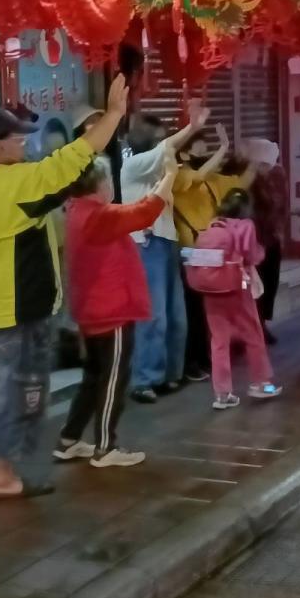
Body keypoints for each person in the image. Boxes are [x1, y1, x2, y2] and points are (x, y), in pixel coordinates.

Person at [0, 74, 129, 500]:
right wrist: (114, 113)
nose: (25, 144)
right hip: (14, 310)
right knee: (13, 392)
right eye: (18, 139)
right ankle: (2, 474)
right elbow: (74, 159)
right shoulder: (15, 184)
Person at [54, 156, 177, 468]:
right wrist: (169, 178)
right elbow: (144, 212)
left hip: (90, 308)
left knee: (94, 377)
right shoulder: (98, 215)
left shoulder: (76, 211)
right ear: (99, 184)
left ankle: (69, 439)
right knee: (112, 379)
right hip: (111, 310)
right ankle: (105, 446)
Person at [121, 105, 210, 404]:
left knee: (176, 315)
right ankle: (145, 379)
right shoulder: (133, 166)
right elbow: (167, 149)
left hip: (166, 242)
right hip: (145, 246)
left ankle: (171, 373)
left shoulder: (162, 169)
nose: (170, 147)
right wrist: (192, 127)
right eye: (162, 140)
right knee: (153, 315)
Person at [185, 189, 279, 409]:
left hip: (211, 291)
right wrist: (261, 252)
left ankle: (222, 394)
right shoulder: (245, 226)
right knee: (253, 334)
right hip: (237, 288)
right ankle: (261, 384)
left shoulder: (213, 225)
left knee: (219, 340)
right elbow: (251, 255)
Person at [172, 123, 242, 384]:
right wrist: (223, 148)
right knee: (192, 309)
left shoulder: (202, 179)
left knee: (205, 308)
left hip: (205, 249)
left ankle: (205, 357)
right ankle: (192, 362)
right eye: (199, 149)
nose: (205, 153)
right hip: (190, 250)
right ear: (185, 153)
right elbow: (199, 176)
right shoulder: (178, 176)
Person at [242, 139, 288, 345]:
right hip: (254, 240)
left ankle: (263, 322)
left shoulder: (277, 176)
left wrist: (280, 231)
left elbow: (282, 206)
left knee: (270, 283)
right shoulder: (246, 181)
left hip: (272, 237)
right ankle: (255, 326)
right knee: (256, 285)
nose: (268, 168)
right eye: (264, 164)